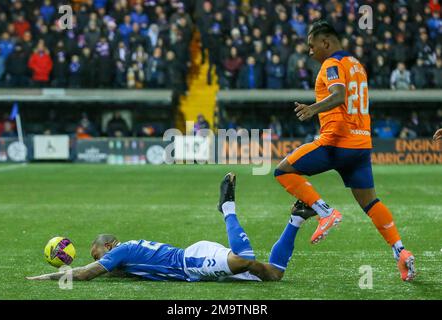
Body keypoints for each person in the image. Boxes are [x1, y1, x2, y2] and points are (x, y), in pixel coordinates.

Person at [275, 20, 416, 282]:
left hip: (336, 142)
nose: (309, 52)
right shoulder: (357, 65)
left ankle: (325, 211)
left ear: (325, 43)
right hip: (361, 145)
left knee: (282, 171)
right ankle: (401, 251)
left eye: (311, 46)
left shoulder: (332, 64)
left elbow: (339, 95)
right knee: (371, 203)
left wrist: (313, 109)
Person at [26, 173, 317, 282]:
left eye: (97, 253)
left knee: (245, 258)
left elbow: (87, 275)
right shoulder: (125, 261)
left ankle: (227, 208)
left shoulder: (122, 250)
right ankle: (297, 218)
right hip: (195, 267)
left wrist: (46, 277)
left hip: (190, 261)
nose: (98, 260)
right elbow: (117, 271)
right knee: (273, 274)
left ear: (110, 245)